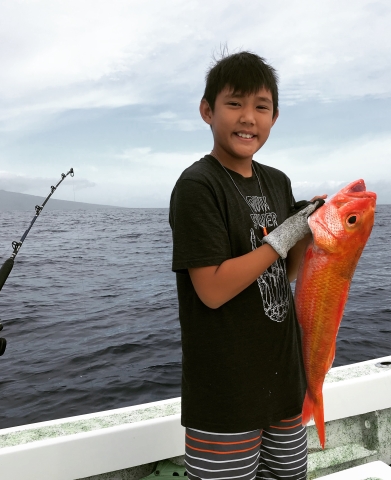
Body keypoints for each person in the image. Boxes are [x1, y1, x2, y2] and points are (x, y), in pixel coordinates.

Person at [169, 51, 325, 480]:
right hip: (226, 392)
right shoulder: (198, 186)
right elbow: (213, 290)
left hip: (285, 381)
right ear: (207, 111)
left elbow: (282, 274)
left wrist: (313, 228)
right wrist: (286, 236)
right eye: (234, 103)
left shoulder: (276, 181)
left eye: (261, 107)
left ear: (275, 116)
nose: (248, 118)